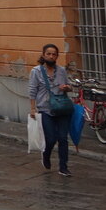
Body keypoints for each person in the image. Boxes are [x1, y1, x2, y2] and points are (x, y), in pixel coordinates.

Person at [28, 43, 73, 177]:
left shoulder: (61, 71)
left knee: (63, 138)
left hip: (62, 108)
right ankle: (46, 154)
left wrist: (67, 88)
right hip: (45, 109)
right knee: (51, 138)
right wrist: (32, 108)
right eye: (48, 53)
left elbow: (69, 86)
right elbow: (32, 90)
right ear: (43, 55)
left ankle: (63, 167)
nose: (51, 56)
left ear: (57, 56)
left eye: (54, 54)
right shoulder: (36, 71)